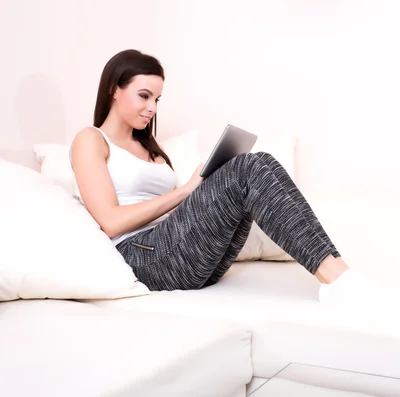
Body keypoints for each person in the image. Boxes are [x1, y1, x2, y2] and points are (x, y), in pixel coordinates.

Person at [69, 49, 363, 304]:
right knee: (247, 167)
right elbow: (110, 222)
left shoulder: (149, 146)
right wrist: (185, 192)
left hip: (183, 252)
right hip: (143, 256)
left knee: (261, 162)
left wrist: (205, 189)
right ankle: (337, 280)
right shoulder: (91, 140)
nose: (152, 108)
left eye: (157, 99)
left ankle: (337, 270)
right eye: (144, 96)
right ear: (114, 90)